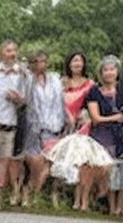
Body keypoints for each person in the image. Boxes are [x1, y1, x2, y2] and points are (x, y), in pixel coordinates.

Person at [44, 52, 112, 212]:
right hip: (62, 126)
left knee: (83, 162)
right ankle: (52, 196)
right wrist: (66, 116)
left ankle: (81, 200)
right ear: (69, 63)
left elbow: (95, 105)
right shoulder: (61, 83)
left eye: (80, 61)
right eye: (74, 61)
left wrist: (85, 118)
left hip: (83, 126)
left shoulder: (91, 84)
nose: (77, 64)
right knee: (59, 160)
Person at [86, 55, 123, 216]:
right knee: (107, 170)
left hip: (122, 137)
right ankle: (111, 206)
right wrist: (115, 118)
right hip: (101, 136)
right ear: (101, 73)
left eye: (112, 69)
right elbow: (95, 119)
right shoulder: (94, 92)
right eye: (105, 70)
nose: (109, 73)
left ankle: (122, 209)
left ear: (117, 71)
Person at [0, 40, 27, 211]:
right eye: (8, 50)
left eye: (14, 50)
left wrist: (18, 99)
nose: (12, 54)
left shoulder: (22, 74)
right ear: (1, 53)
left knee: (3, 162)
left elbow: (24, 101)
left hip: (10, 124)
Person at [21, 50, 66, 207]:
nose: (41, 65)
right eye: (37, 61)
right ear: (31, 64)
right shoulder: (27, 80)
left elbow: (61, 101)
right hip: (34, 129)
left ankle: (36, 194)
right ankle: (28, 192)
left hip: (54, 126)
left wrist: (67, 118)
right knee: (35, 163)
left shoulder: (54, 79)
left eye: (43, 61)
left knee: (50, 163)